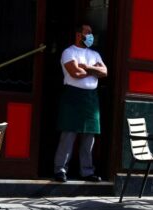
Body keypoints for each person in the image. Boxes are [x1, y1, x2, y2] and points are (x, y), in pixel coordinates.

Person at [54, 23, 108, 182]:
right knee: (68, 135)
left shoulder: (95, 54)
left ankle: (87, 171)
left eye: (91, 32)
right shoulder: (68, 52)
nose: (91, 36)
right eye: (88, 32)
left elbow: (104, 72)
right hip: (73, 97)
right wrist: (93, 71)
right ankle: (60, 170)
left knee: (89, 137)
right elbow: (75, 73)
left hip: (91, 98)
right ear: (79, 35)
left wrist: (86, 67)